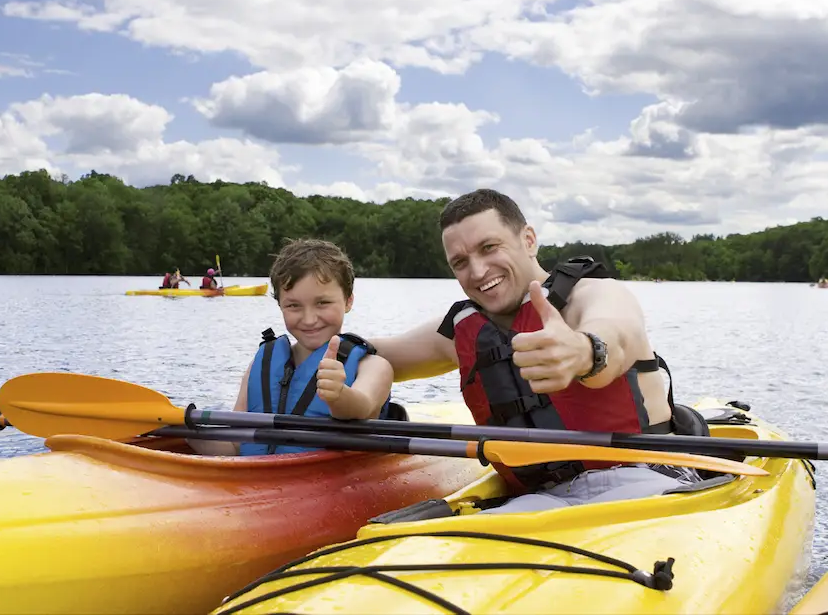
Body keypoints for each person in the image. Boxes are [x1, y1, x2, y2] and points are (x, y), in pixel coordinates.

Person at [369, 188, 709, 514]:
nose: (477, 271)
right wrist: (322, 328)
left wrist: (583, 351)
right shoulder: (461, 330)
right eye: (460, 262)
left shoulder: (593, 294)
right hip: (539, 499)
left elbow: (616, 334)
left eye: (489, 247)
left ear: (528, 240)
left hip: (644, 482)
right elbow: (379, 353)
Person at [188, 239, 398, 456]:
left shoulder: (375, 367)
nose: (309, 319)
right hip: (259, 480)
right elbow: (234, 445)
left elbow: (363, 406)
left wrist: (339, 396)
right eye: (293, 306)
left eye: (322, 303)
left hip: (333, 482)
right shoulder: (262, 363)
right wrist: (185, 431)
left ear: (348, 301)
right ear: (280, 305)